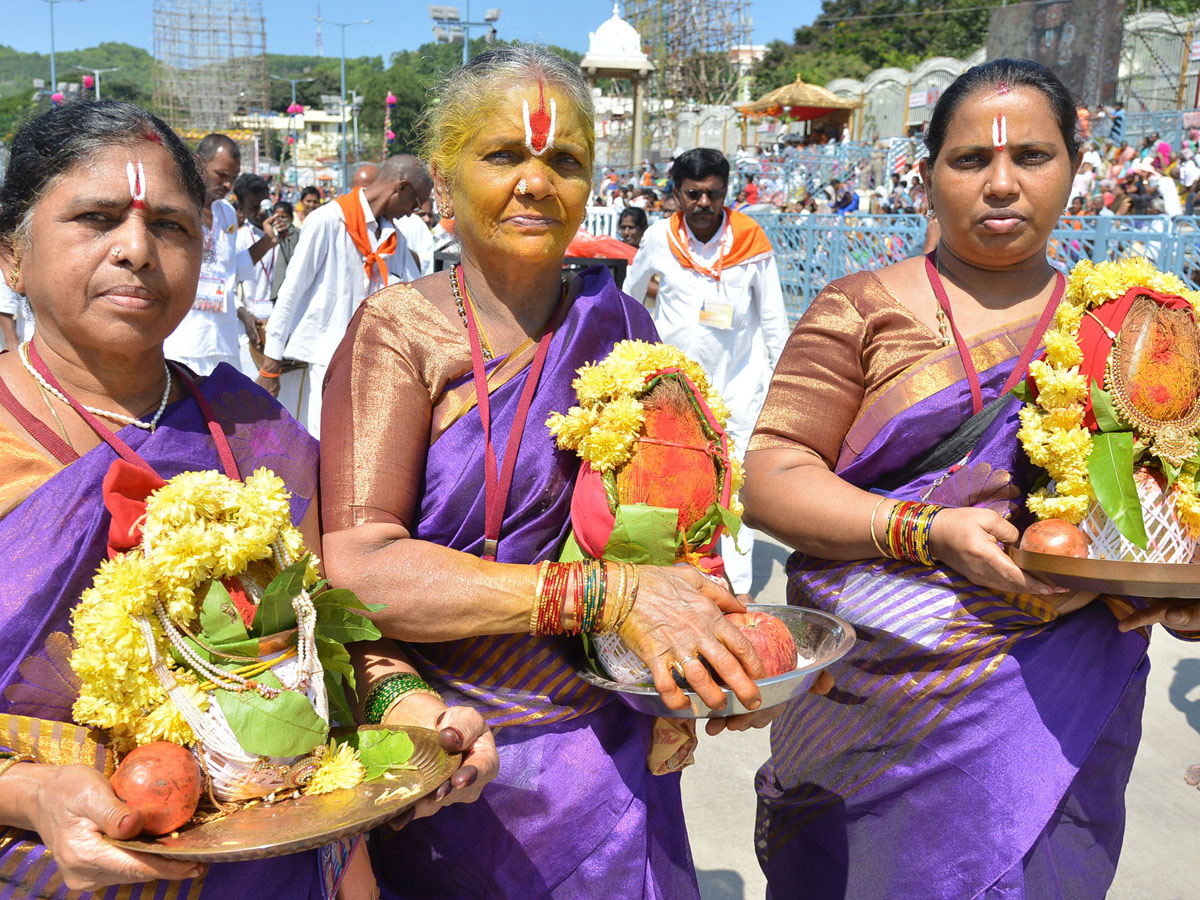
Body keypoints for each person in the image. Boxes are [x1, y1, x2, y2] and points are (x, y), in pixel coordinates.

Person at [318, 47, 791, 900]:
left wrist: (694, 662)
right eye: (503, 155)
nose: (536, 183)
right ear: (443, 175)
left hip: (613, 756)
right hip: (454, 755)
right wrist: (602, 598)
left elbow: (672, 524)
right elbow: (359, 570)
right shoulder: (399, 333)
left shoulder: (620, 320)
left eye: (564, 161)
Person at [0, 98, 496, 899]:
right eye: (95, 219)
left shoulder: (252, 428)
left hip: (285, 863)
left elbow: (329, 637)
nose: (136, 250)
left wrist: (408, 707)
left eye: (170, 226)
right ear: (11, 257)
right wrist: (32, 794)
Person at [744, 58, 1200, 899]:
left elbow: (1161, 506)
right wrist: (930, 532)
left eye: (1031, 157)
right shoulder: (858, 307)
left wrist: (1161, 586)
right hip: (875, 703)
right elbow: (772, 478)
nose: (1000, 184)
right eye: (968, 161)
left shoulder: (1130, 326)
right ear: (924, 178)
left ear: (1075, 162)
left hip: (1062, 698)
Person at [624, 147, 790, 600]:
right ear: (676, 194)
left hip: (739, 385)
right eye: (693, 194)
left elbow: (773, 317)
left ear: (726, 193)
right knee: (671, 479)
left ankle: (737, 592)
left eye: (713, 194)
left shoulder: (750, 240)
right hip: (673, 389)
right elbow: (631, 298)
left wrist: (779, 383)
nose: (703, 204)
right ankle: (677, 580)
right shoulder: (658, 237)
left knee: (735, 488)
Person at [256, 154, 429, 437]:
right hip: (328, 363)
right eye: (415, 200)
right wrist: (271, 363)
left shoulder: (394, 238)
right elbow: (292, 291)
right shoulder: (327, 221)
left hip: (377, 367)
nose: (411, 212)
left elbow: (416, 296)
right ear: (402, 186)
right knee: (325, 444)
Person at [163, 134, 280, 376]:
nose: (228, 186)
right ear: (197, 163)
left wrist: (268, 242)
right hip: (184, 338)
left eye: (233, 178)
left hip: (223, 337)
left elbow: (232, 268)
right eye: (221, 176)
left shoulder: (226, 212)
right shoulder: (174, 206)